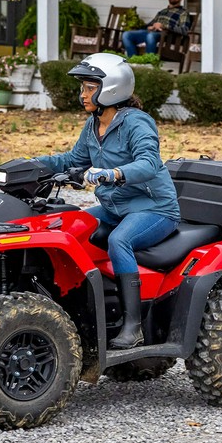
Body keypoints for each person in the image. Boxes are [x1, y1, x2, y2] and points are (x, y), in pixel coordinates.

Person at [36, 53, 181, 349]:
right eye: (83, 88)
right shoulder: (93, 124)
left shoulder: (137, 123)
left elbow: (149, 163)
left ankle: (133, 325)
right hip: (115, 208)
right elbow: (72, 160)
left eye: (90, 88)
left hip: (154, 208)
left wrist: (111, 173)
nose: (83, 94)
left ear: (112, 88)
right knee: (69, 229)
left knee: (120, 241)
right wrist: (33, 165)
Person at [122, 0, 193, 57]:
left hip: (167, 35)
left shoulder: (183, 13)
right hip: (152, 32)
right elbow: (150, 23)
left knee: (151, 36)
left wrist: (164, 26)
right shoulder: (162, 11)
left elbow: (185, 30)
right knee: (127, 35)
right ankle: (133, 59)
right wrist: (149, 27)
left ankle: (149, 60)